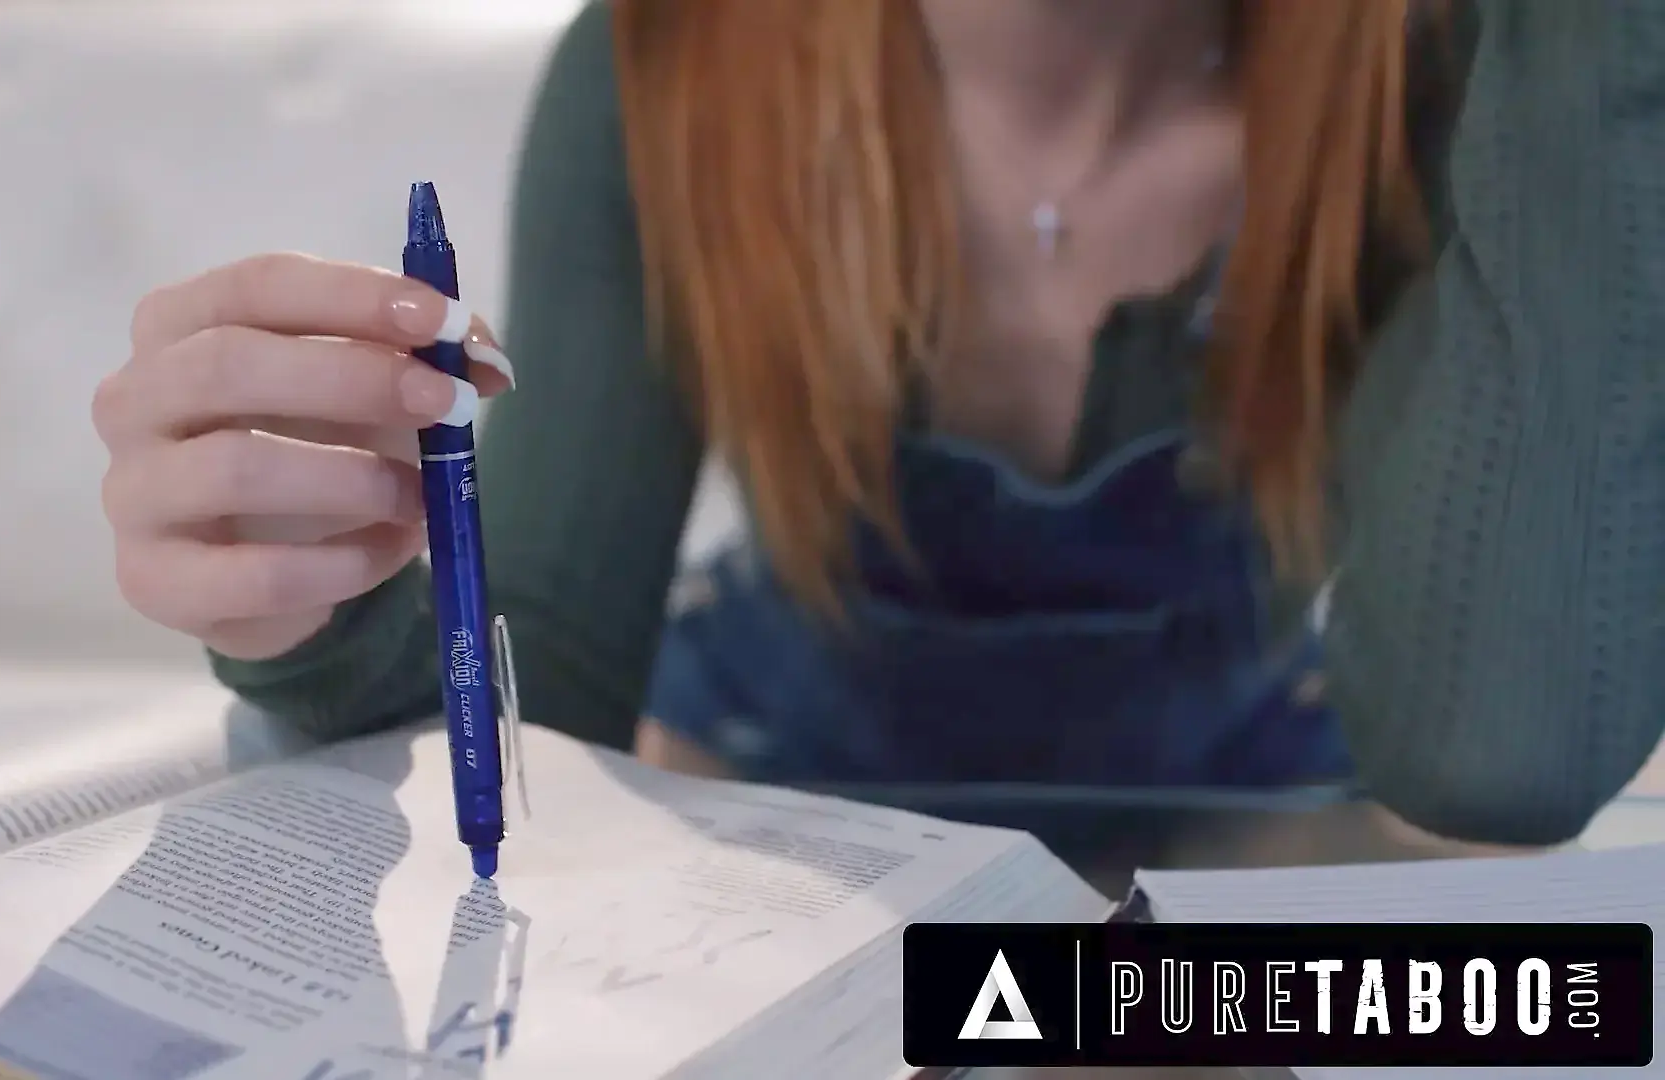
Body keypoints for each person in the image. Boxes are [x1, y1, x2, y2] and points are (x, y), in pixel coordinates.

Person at [94, 0, 1663, 847]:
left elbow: (1500, 747)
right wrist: (319, 600)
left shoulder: (1442, 79)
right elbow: (543, 682)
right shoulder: (667, 65)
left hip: (1231, 849)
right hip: (781, 830)